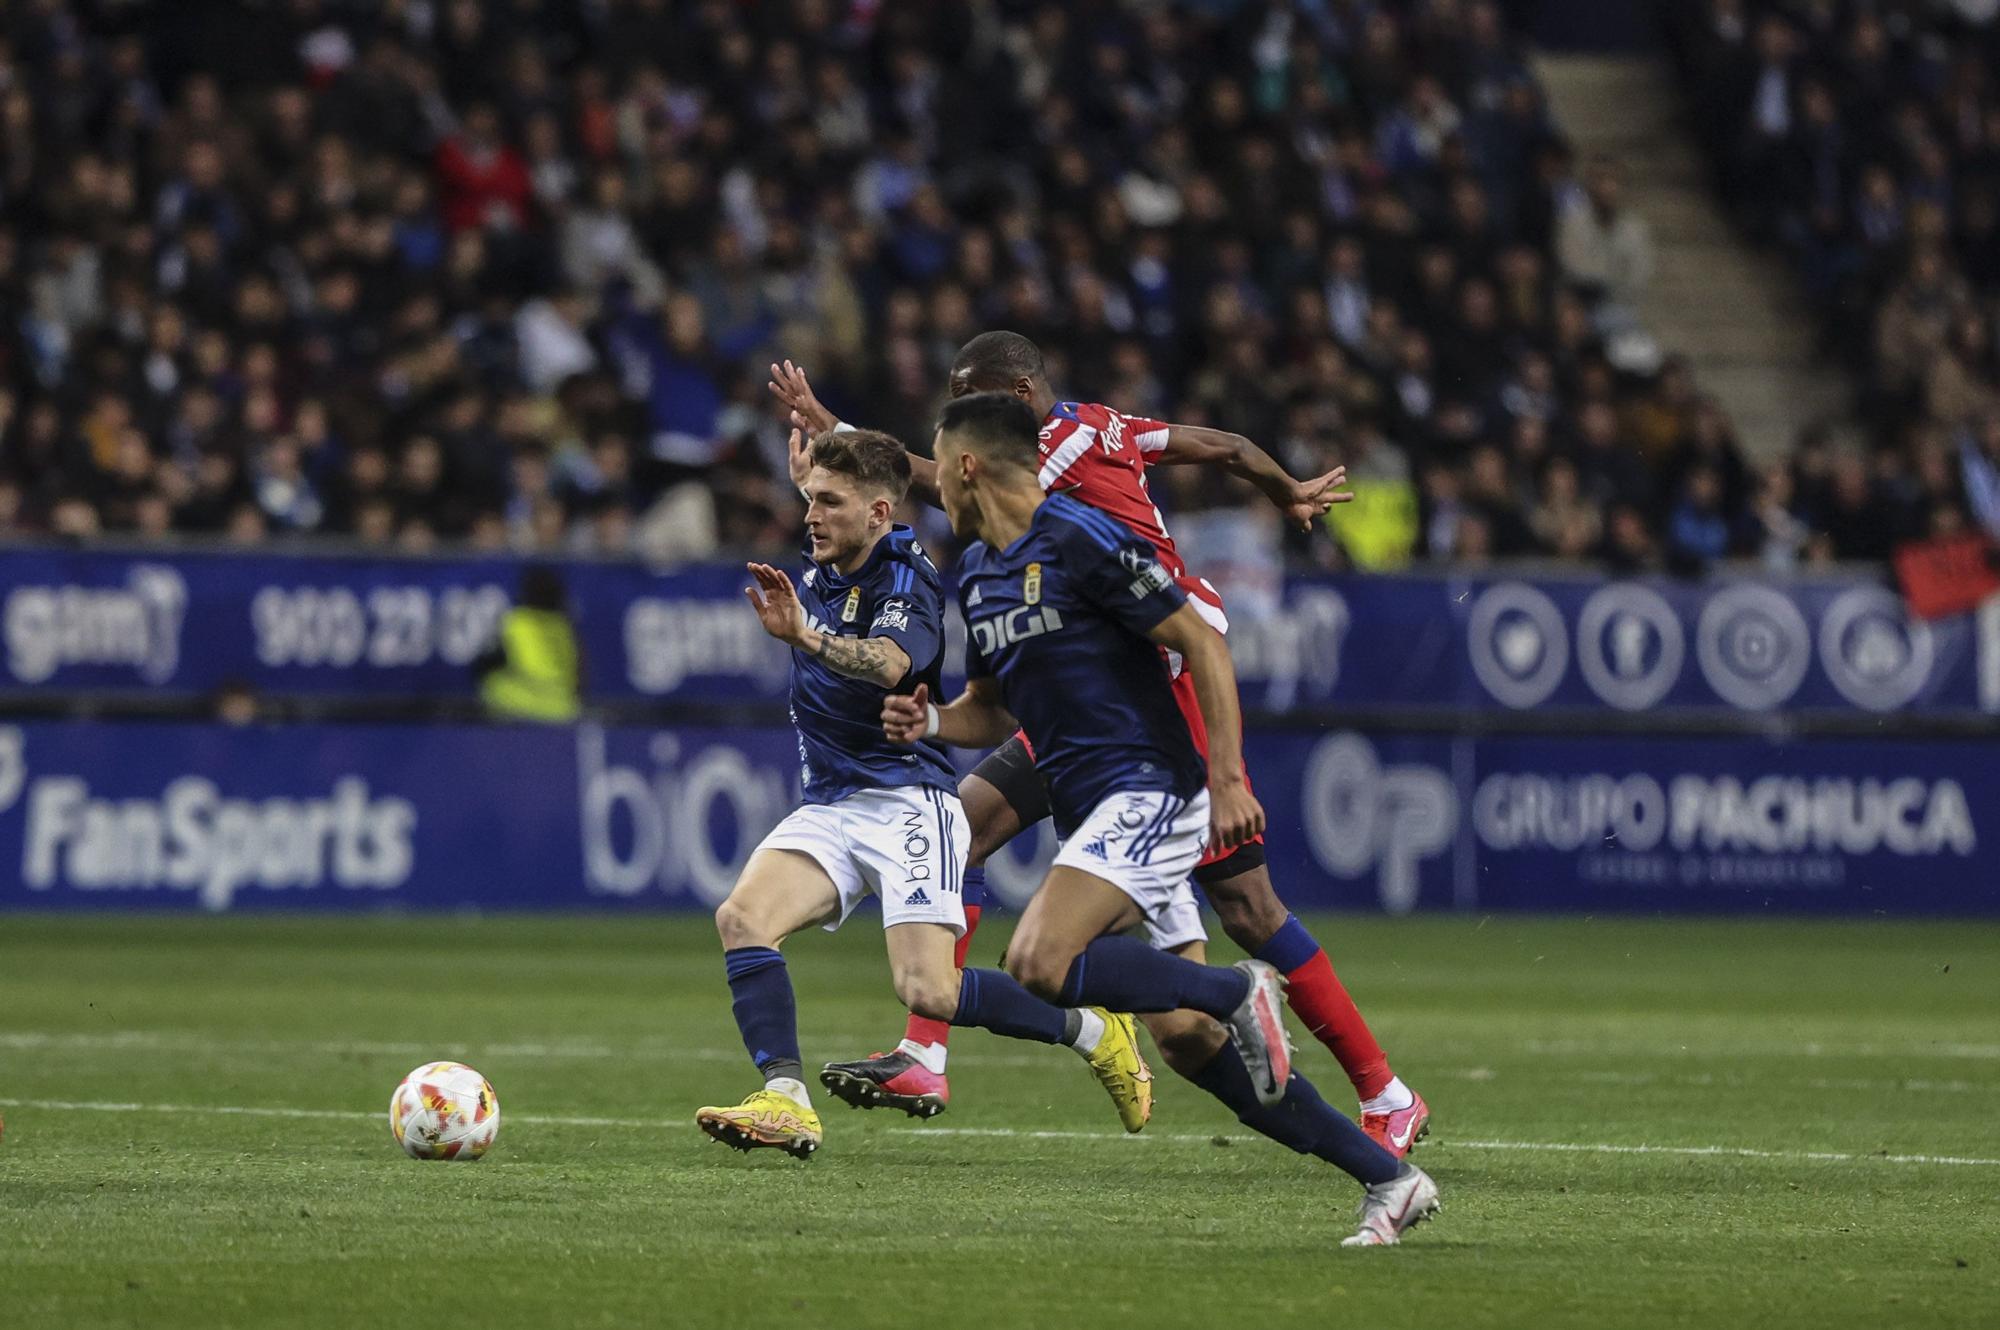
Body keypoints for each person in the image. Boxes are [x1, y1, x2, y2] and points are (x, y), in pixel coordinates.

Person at [772, 335, 1432, 1158]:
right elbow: (1221, 445)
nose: (955, 423)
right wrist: (1287, 489)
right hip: (1082, 691)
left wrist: (850, 439)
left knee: (1247, 910)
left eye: (967, 399)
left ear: (1013, 396)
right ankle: (925, 1053)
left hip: (1158, 691)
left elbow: (948, 481)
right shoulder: (1102, 427)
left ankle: (1384, 1089)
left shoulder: (1055, 454)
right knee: (966, 827)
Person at [694, 428, 1154, 1159]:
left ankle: (1097, 1030)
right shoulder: (832, 552)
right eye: (809, 499)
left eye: (829, 504)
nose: (811, 516)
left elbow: (887, 662)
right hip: (834, 804)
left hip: (909, 803)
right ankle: (785, 1100)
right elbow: (839, 494)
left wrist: (807, 638)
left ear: (880, 514)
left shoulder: (907, 576)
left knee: (930, 993)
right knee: (743, 917)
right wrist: (817, 472)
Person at [475, 565, 581, 722]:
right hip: (563, 708)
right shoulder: (563, 626)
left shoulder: (518, 621)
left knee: (490, 686)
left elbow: (486, 662)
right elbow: (580, 674)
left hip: (524, 705)